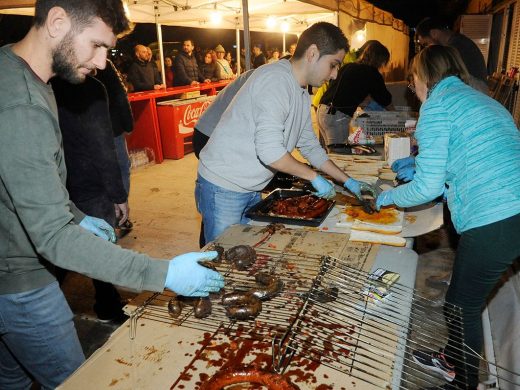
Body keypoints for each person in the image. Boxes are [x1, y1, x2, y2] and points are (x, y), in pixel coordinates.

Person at [0, 1, 224, 388]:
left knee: (14, 380)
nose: (104, 63)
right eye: (97, 46)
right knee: (78, 381)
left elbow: (21, 180)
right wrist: (162, 273)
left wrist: (73, 212)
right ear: (57, 21)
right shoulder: (22, 103)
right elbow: (52, 238)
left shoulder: (15, 70)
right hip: (20, 281)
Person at [375, 45, 520, 389]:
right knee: (464, 297)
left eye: (412, 83)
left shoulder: (437, 106)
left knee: (460, 306)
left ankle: (464, 382)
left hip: (497, 217)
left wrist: (389, 197)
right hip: (513, 206)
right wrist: (430, 169)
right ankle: (452, 357)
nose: (415, 90)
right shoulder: (481, 99)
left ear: (422, 77)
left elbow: (425, 189)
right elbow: (478, 156)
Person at [196, 22, 378, 244]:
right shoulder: (276, 81)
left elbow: (310, 147)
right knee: (222, 258)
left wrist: (348, 182)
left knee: (242, 251)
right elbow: (270, 152)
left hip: (249, 185)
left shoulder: (300, 91)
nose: (334, 75)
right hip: (223, 185)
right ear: (313, 53)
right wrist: (313, 177)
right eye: (333, 65)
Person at [51, 74, 130, 323]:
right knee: (101, 246)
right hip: (88, 183)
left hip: (57, 180)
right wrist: (118, 194)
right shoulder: (90, 88)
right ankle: (108, 306)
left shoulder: (43, 81)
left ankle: (46, 301)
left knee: (58, 244)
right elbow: (102, 144)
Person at [193, 69, 255, 248]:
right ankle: (207, 243)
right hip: (208, 133)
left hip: (220, 132)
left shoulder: (269, 76)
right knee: (216, 187)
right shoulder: (263, 78)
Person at [317, 40, 393, 151]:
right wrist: (396, 115)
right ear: (380, 59)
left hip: (322, 110)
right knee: (340, 154)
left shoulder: (349, 67)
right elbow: (385, 99)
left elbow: (337, 88)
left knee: (330, 153)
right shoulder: (372, 73)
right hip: (336, 115)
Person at [91, 59, 134, 236]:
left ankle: (115, 212)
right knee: (119, 167)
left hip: (103, 127)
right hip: (107, 127)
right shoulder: (104, 64)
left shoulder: (103, 64)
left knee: (113, 168)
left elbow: (119, 93)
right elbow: (119, 93)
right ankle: (117, 212)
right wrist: (128, 123)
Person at [415, 16, 488, 93]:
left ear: (434, 33)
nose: (427, 48)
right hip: (475, 89)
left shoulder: (455, 47)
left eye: (426, 44)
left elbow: (444, 77)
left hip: (476, 91)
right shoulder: (458, 42)